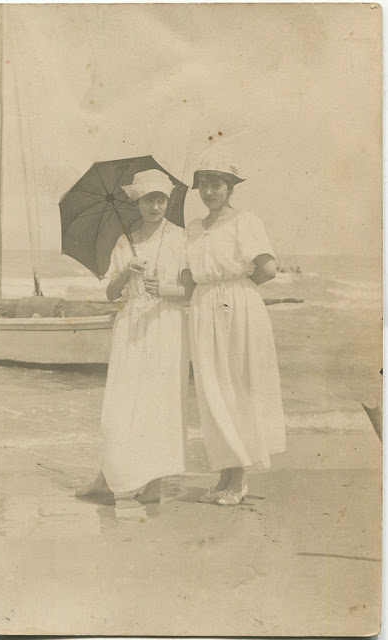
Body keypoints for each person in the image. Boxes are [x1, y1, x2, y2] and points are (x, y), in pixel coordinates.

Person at [76, 169, 190, 504]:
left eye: (160, 200)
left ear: (167, 202)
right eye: (148, 200)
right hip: (131, 324)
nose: (154, 206)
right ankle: (106, 477)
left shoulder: (181, 238)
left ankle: (154, 484)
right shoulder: (125, 241)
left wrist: (164, 289)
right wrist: (127, 271)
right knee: (121, 402)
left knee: (160, 402)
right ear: (136, 203)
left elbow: (190, 290)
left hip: (166, 324)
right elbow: (111, 294)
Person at [185, 159, 286, 506]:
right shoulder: (194, 227)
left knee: (239, 387)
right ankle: (224, 474)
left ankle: (239, 478)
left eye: (216, 184)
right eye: (203, 184)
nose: (209, 191)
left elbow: (268, 269)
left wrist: (235, 289)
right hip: (203, 308)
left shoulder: (245, 220)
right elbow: (189, 278)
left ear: (230, 188)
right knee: (213, 390)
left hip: (238, 307)